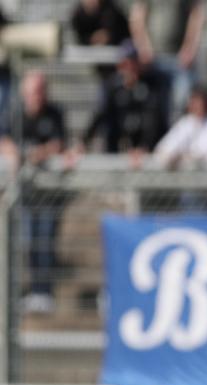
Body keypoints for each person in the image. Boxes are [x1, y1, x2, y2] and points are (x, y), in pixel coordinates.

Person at [0, 71, 67, 313]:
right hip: (25, 193)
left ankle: (44, 291)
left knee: (45, 239)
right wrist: (14, 154)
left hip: (50, 193)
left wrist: (37, 154)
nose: (36, 96)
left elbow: (59, 144)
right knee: (27, 240)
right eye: (31, 91)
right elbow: (4, 139)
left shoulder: (55, 113)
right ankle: (30, 291)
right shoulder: (15, 113)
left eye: (39, 91)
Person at [79, 41, 168, 163]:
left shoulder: (150, 88)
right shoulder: (113, 88)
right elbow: (99, 115)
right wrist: (83, 142)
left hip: (144, 150)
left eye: (131, 63)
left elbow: (153, 121)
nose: (128, 68)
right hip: (118, 145)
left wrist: (144, 147)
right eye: (124, 64)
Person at [128, 0, 205, 116]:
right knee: (153, 108)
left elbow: (196, 15)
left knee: (182, 104)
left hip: (180, 60)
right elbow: (137, 18)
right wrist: (144, 47)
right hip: (152, 60)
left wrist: (189, 48)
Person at [153, 85, 207, 170]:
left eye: (199, 101)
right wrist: (176, 157)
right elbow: (163, 149)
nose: (196, 105)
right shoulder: (186, 122)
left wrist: (193, 157)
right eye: (193, 101)